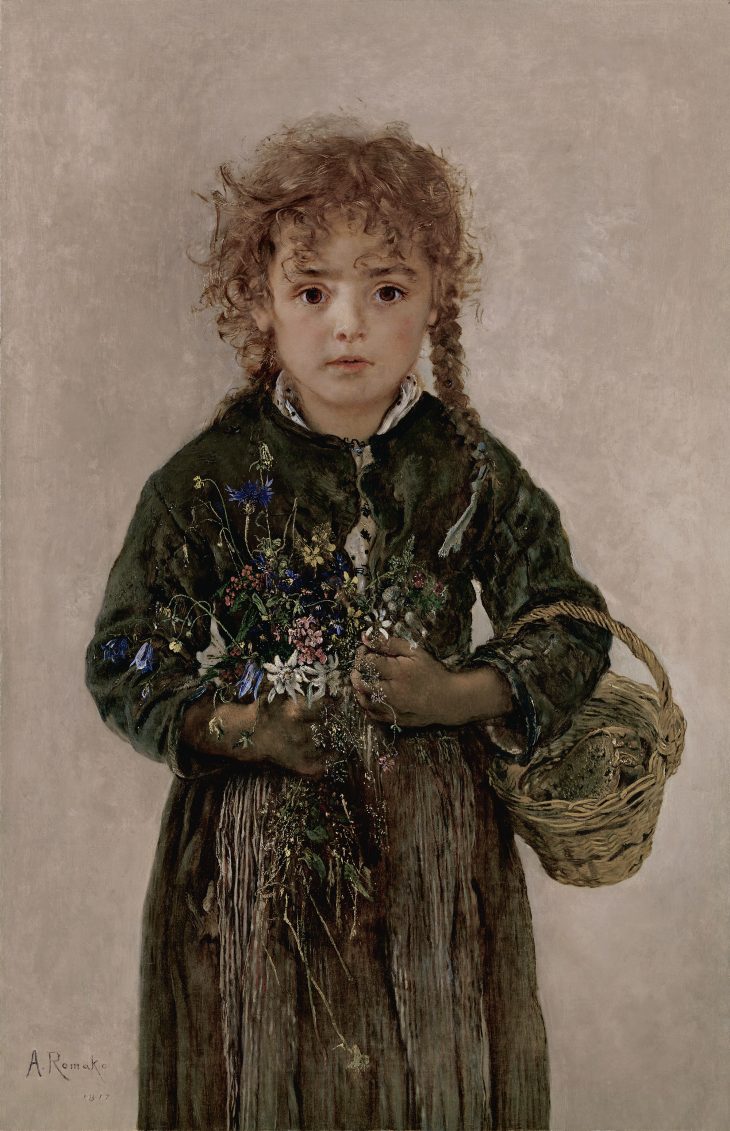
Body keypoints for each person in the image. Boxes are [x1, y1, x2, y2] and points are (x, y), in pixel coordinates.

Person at [86, 117, 610, 1131]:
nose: (348, 326)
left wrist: (460, 692)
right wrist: (241, 727)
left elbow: (569, 621)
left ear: (434, 302)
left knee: (439, 1083)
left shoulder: (467, 467)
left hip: (436, 862)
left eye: (386, 290)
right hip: (252, 866)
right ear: (260, 305)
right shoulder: (206, 477)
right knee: (262, 1087)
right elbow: (124, 655)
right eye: (312, 289)